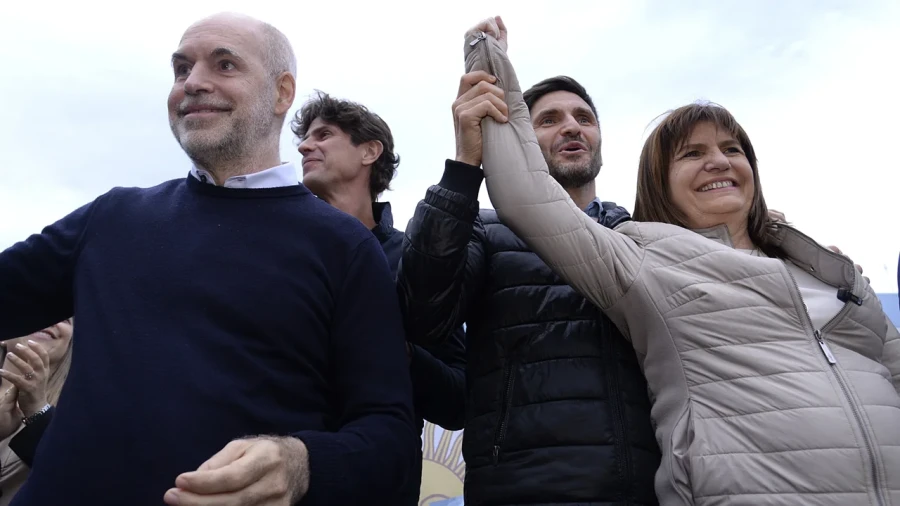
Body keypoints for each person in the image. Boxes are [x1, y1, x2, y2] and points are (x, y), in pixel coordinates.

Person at [458, 17, 900, 505]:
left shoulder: (831, 273)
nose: (719, 161)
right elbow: (526, 196)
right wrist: (489, 61)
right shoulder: (646, 260)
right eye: (693, 153)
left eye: (732, 149)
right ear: (657, 182)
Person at [0, 12, 416, 506]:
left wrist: (303, 462)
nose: (193, 83)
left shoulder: (345, 247)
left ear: (282, 93)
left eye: (224, 65)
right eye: (181, 69)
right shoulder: (113, 215)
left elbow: (390, 437)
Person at [398, 51, 660, 506]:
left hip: (649, 490)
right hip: (522, 490)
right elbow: (422, 315)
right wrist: (464, 167)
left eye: (584, 117)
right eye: (549, 120)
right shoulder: (484, 228)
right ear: (520, 139)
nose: (572, 126)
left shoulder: (639, 236)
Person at [293, 91, 466, 505]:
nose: (303, 146)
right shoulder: (278, 253)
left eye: (324, 135)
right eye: (305, 137)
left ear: (370, 151)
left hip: (377, 486)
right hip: (280, 479)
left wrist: (400, 354)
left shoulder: (414, 261)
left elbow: (459, 399)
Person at [0, 319, 73, 505]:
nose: (50, 319)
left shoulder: (76, 412)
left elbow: (74, 480)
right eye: (40, 310)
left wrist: (38, 411)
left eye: (64, 318)